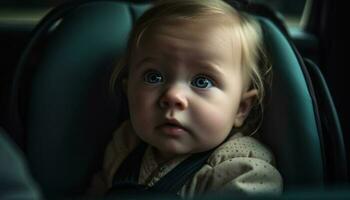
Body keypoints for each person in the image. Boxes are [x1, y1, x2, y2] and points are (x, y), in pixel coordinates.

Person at [88, 0, 283, 198]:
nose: (173, 96)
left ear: (241, 108)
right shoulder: (124, 146)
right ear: (128, 91)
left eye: (202, 82)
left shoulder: (243, 172)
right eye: (153, 77)